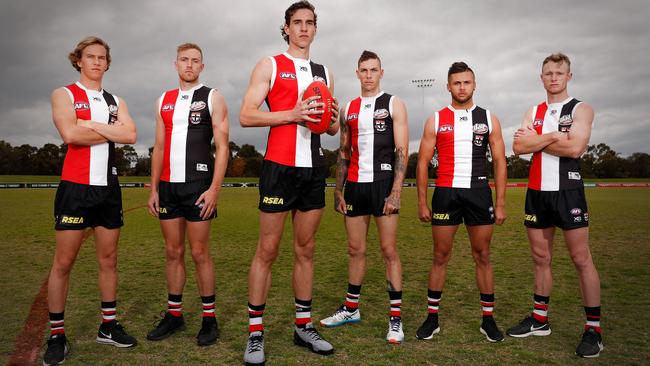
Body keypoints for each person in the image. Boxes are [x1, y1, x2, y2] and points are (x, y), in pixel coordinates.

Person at [239, 1, 339, 364]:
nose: (303, 28)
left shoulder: (324, 71)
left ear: (315, 28)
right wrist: (293, 114)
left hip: (312, 168)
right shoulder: (270, 64)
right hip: (279, 167)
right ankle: (255, 333)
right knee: (267, 250)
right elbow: (247, 115)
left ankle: (303, 325)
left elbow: (330, 127)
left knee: (306, 249)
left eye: (309, 23)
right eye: (296, 22)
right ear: (285, 28)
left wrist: (332, 119)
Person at [44, 36, 138, 365]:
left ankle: (108, 327)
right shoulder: (64, 94)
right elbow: (70, 135)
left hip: (108, 190)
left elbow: (130, 135)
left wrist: (91, 124)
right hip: (75, 188)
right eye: (90, 57)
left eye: (102, 57)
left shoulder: (115, 100)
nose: (97, 62)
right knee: (63, 263)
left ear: (107, 63)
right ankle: (57, 334)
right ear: (79, 61)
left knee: (109, 260)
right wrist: (108, 129)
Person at [507, 53, 602, 358]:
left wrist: (538, 140)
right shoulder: (533, 110)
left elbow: (575, 146)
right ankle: (539, 320)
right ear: (541, 77)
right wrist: (551, 136)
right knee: (540, 257)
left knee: (580, 259)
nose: (553, 78)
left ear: (568, 76)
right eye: (548, 73)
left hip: (568, 193)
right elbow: (519, 147)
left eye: (558, 73)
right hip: (537, 191)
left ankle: (593, 330)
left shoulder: (581, 109)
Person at [319, 50, 409, 344]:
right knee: (355, 250)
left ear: (381, 73)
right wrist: (338, 190)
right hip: (356, 185)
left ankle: (395, 318)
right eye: (364, 70)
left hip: (383, 185)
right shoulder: (349, 108)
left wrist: (396, 191)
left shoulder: (393, 103)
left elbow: (401, 151)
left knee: (388, 250)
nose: (368, 75)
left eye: (373, 70)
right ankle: (351, 309)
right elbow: (344, 152)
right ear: (357, 73)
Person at [415, 62, 507, 343]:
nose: (462, 87)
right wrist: (421, 201)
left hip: (479, 193)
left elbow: (501, 161)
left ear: (474, 85)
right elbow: (421, 162)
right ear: (448, 87)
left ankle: (488, 320)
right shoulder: (436, 119)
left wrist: (500, 202)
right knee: (440, 256)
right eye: (457, 83)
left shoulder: (489, 118)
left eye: (467, 82)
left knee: (482, 255)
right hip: (446, 193)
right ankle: (432, 318)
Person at [146, 43, 229, 347]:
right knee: (172, 252)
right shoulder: (163, 101)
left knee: (199, 253)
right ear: (176, 63)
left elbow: (223, 147)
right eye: (185, 60)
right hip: (168, 187)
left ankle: (209, 319)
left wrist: (215, 188)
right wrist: (154, 188)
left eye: (195, 61)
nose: (190, 65)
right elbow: (158, 148)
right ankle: (174, 314)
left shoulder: (212, 97)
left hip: (198, 186)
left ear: (202, 67)